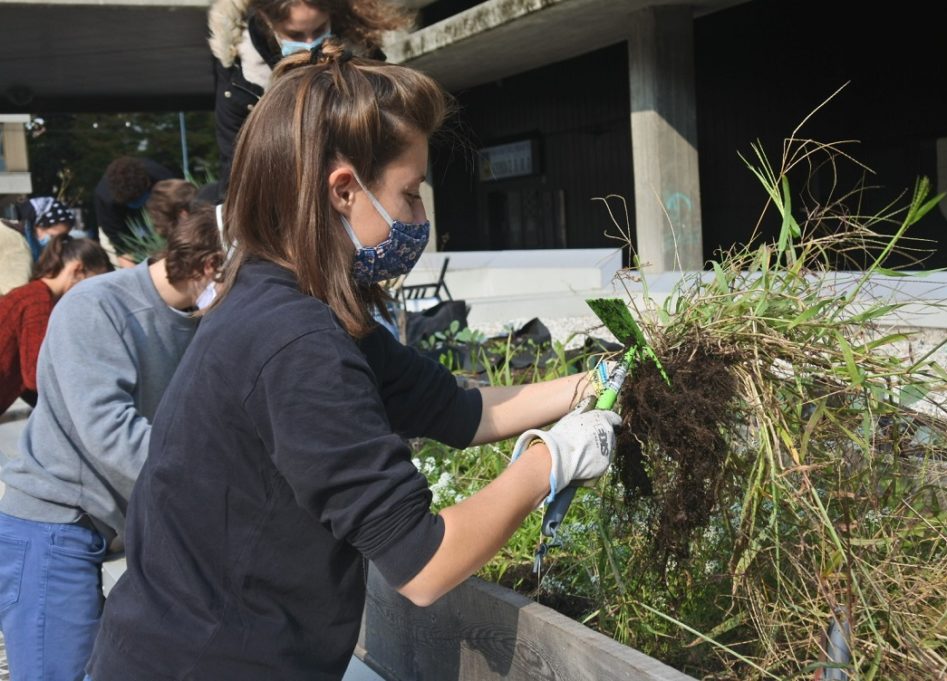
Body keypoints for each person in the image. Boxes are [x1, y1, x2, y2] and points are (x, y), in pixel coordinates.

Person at [86, 43, 620, 680]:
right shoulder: (296, 344)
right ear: (345, 190)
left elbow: (459, 409)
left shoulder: (292, 302)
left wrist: (596, 385)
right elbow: (423, 565)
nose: (420, 218)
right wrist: (551, 462)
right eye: (411, 194)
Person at [0, 207, 224, 681]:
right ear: (210, 267)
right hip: (52, 527)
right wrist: (218, 484)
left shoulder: (197, 323)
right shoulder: (97, 305)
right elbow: (109, 431)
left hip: (97, 527)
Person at [208, 0, 407, 197]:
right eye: (295, 35)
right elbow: (235, 166)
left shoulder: (362, 52)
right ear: (266, 20)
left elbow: (391, 142)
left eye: (320, 30)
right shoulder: (239, 72)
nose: (310, 44)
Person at [0, 237, 112, 417]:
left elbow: (28, 381)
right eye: (94, 283)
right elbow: (37, 376)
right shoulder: (39, 301)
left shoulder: (32, 295)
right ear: (78, 269)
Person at [93, 156, 176, 265]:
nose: (136, 202)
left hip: (156, 209)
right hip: (120, 224)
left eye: (138, 198)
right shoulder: (105, 198)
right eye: (131, 201)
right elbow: (119, 244)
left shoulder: (161, 177)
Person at [14, 196, 77, 262]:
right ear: (36, 227)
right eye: (52, 236)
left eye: (63, 238)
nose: (58, 243)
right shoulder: (16, 246)